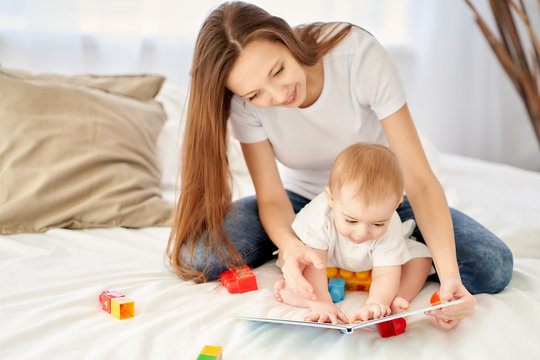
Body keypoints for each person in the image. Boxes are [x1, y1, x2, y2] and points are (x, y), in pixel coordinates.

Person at [167, 1, 513, 329]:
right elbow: (272, 198)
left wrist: (451, 278)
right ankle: (338, 257)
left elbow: (420, 181)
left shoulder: (358, 57)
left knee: (492, 266)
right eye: (256, 95)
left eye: (278, 70)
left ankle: (384, 255)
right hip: (304, 203)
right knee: (199, 257)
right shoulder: (244, 104)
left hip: (384, 202)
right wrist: (293, 249)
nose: (277, 95)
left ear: (286, 37)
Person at [274, 142, 433, 324]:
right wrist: (322, 304)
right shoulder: (319, 215)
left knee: (421, 257)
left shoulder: (392, 224)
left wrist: (376, 302)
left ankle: (397, 297)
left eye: (377, 223)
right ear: (331, 198)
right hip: (324, 262)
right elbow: (314, 264)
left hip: (370, 265)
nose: (362, 233)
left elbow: (387, 273)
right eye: (351, 220)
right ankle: (307, 298)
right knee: (289, 257)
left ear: (395, 205)